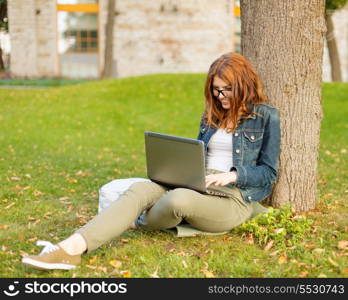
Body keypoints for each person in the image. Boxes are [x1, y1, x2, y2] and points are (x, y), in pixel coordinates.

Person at [22, 52, 280, 270]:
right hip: (198, 181)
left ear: (244, 84)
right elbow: (198, 152)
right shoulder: (211, 114)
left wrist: (233, 175)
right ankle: (69, 249)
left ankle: (136, 220)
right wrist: (183, 169)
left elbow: (269, 173)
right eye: (216, 90)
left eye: (227, 89)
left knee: (177, 199)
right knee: (141, 189)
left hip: (234, 198)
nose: (221, 96)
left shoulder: (266, 116)